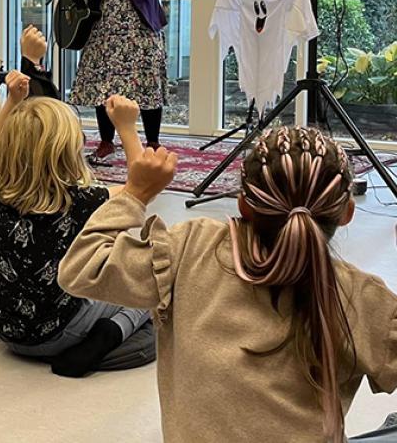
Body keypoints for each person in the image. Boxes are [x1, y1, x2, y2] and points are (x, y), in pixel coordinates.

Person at [58, 123, 397, 442]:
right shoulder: (362, 299)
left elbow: (81, 267)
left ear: (242, 204)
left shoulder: (192, 248)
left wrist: (135, 192)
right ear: (347, 213)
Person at [0, 74, 156, 374]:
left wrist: (11, 102)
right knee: (150, 286)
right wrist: (126, 128)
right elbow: (141, 188)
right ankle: (106, 337)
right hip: (59, 333)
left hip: (7, 329)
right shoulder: (82, 200)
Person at [64, 0, 168, 164]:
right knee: (103, 86)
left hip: (137, 30)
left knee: (145, 83)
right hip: (102, 32)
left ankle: (153, 142)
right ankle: (106, 142)